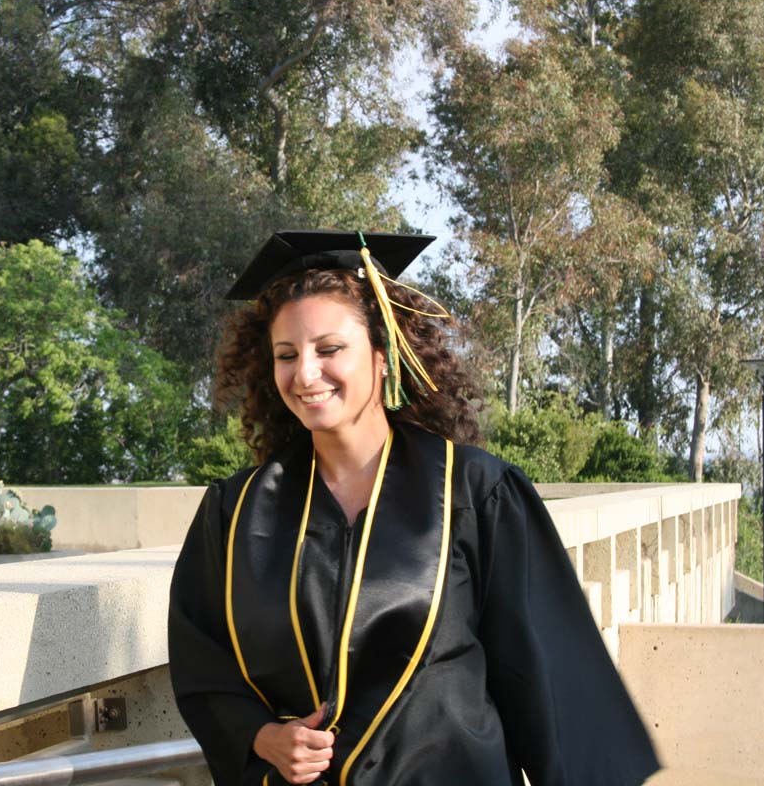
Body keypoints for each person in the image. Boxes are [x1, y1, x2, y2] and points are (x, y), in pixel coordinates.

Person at [167, 230, 660, 786]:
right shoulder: (237, 513)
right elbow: (201, 664)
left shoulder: (474, 492)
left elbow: (549, 676)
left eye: (329, 349)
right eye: (287, 355)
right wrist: (262, 737)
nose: (305, 373)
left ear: (384, 355)